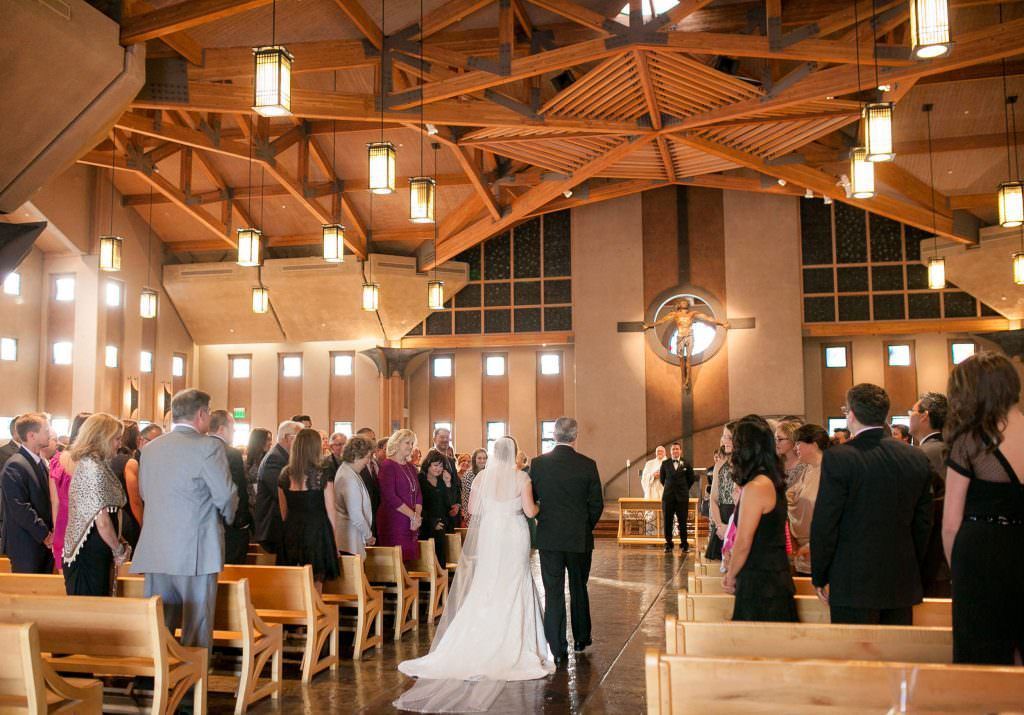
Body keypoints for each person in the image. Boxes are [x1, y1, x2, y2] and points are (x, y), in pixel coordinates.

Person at [396, 436, 553, 712]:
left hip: (491, 534)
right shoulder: (521, 479)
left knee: (488, 583)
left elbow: (471, 510)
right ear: (514, 454)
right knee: (514, 582)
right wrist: (541, 507)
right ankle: (515, 643)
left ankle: (476, 639)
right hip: (514, 533)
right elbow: (530, 510)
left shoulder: (481, 479)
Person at [811, 384, 933, 626]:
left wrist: (820, 574)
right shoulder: (916, 457)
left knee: (856, 659)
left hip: (851, 578)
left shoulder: (839, 457)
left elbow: (826, 521)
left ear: (852, 414)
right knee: (897, 659)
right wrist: (912, 565)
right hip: (901, 576)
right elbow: (924, 522)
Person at [131, 389, 237, 649]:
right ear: (201, 414)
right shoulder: (208, 446)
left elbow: (144, 493)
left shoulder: (151, 449)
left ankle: (158, 681)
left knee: (159, 626)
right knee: (196, 626)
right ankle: (193, 685)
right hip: (196, 550)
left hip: (157, 550)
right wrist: (229, 518)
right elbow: (225, 495)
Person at [942, 352, 1024, 665]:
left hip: (980, 553)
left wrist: (957, 571)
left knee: (982, 650)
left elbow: (951, 522)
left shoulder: (970, 441)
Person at [531, 417, 603, 663]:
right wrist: (584, 526)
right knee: (578, 588)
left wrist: (547, 519)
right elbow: (596, 504)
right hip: (578, 538)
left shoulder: (538, 464)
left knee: (553, 592)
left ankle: (558, 647)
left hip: (549, 538)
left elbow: (534, 500)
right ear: (575, 436)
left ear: (554, 435)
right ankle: (581, 638)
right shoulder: (587, 464)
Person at [722, 417, 797, 622]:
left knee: (758, 648)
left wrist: (730, 575)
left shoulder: (757, 486)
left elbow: (744, 541)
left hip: (762, 582)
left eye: (736, 445)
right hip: (771, 575)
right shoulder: (770, 479)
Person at [61, 413, 129, 596]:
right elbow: (103, 521)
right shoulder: (92, 469)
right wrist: (118, 549)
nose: (119, 444)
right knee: (91, 615)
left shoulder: (96, 465)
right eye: (116, 439)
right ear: (101, 438)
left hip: (95, 550)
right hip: (89, 555)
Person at [277, 429, 339, 587]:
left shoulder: (285, 474)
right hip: (317, 532)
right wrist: (335, 543)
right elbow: (331, 511)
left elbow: (284, 512)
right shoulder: (322, 473)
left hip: (291, 532)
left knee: (294, 587)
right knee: (316, 585)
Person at [1, 413, 54, 573]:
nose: (50, 434)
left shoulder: (38, 462)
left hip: (42, 543)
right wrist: (45, 534)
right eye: (45, 430)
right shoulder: (15, 465)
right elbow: (20, 507)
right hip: (27, 544)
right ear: (31, 435)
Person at [910, 391, 951, 598]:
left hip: (935, 558)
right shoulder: (941, 447)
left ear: (924, 416)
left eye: (912, 411)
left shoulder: (929, 452)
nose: (910, 416)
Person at [48, 412, 91, 569]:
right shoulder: (94, 461)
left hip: (63, 525)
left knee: (67, 582)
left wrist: (57, 531)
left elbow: (55, 503)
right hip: (88, 527)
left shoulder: (57, 460)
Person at [209, 410, 252, 565]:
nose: (234, 432)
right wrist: (242, 521)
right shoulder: (231, 453)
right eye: (232, 429)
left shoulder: (198, 450)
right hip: (230, 525)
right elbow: (236, 489)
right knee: (232, 568)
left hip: (206, 523)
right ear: (221, 429)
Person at [253, 420, 301, 555]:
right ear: (287, 438)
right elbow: (281, 492)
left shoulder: (282, 456)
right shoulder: (275, 459)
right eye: (299, 438)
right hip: (274, 526)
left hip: (280, 525)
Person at [377, 430, 423, 561]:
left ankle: (408, 582)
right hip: (394, 520)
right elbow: (390, 496)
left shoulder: (410, 466)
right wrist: (413, 516)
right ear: (396, 444)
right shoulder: (388, 465)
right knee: (397, 561)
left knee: (409, 560)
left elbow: (418, 493)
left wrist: (417, 516)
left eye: (412, 443)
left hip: (411, 521)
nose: (410, 446)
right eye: (407, 443)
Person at [789, 424, 827, 576]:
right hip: (800, 548)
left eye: (799, 443)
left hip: (819, 546)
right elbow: (790, 497)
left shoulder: (829, 470)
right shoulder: (807, 469)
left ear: (814, 445)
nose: (795, 448)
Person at [334, 436, 376, 558]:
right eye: (367, 457)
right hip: (349, 539)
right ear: (356, 456)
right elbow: (355, 514)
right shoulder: (348, 477)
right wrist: (368, 535)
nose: (368, 461)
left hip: (351, 537)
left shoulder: (348, 471)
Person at [706, 423, 737, 562]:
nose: (724, 441)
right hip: (722, 518)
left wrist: (731, 528)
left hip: (739, 518)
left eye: (729, 437)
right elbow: (713, 499)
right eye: (724, 436)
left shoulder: (746, 465)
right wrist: (720, 526)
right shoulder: (720, 465)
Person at [110, 421, 142, 551]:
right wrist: (143, 524)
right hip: (127, 518)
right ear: (136, 438)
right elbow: (135, 500)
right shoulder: (130, 462)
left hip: (114, 517)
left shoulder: (108, 458)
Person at [660, 442, 695, 553]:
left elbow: (691, 479)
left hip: (682, 498)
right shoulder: (665, 463)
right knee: (668, 521)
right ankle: (668, 544)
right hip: (668, 497)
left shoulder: (686, 463)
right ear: (670, 452)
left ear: (680, 451)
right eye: (673, 449)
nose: (675, 451)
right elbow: (662, 479)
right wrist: (670, 488)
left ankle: (684, 544)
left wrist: (684, 489)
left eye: (677, 449)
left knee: (683, 521)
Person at [418, 450, 452, 566]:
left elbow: (448, 505)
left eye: (441, 466)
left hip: (441, 525)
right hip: (425, 526)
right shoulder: (420, 480)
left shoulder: (441, 481)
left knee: (440, 560)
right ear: (428, 464)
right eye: (435, 465)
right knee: (427, 562)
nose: (438, 469)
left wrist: (448, 484)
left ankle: (441, 584)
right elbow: (418, 505)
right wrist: (433, 522)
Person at [356, 429, 381, 537]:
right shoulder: (356, 467)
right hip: (365, 518)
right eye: (368, 440)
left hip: (378, 517)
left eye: (374, 439)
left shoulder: (377, 463)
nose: (373, 443)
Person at [244, 428, 272, 508]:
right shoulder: (247, 462)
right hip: (251, 505)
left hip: (266, 504)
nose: (270, 443)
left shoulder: (269, 461)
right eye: (268, 439)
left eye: (270, 440)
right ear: (258, 441)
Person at [775, 419, 806, 488]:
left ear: (793, 440)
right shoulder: (775, 463)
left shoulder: (805, 466)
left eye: (780, 439)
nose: (776, 443)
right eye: (775, 439)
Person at [461, 448, 487, 527]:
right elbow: (465, 497)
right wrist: (467, 515)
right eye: (479, 458)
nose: (482, 460)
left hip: (486, 512)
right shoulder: (468, 475)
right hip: (473, 513)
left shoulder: (488, 474)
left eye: (484, 458)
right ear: (474, 459)